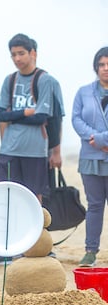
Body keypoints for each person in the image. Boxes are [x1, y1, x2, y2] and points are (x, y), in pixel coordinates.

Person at [0, 33, 59, 265]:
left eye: (21, 53)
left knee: (34, 201)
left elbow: (45, 117)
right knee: (4, 198)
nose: (17, 58)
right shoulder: (10, 80)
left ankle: (37, 248)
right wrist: (26, 112)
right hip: (9, 149)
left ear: (33, 53)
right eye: (13, 54)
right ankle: (3, 249)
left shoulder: (46, 80)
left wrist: (55, 150)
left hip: (35, 149)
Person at [72, 46, 108, 267]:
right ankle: (90, 250)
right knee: (94, 206)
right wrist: (94, 138)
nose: (106, 69)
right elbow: (76, 119)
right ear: (96, 67)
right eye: (102, 64)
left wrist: (104, 140)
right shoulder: (84, 92)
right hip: (90, 158)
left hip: (101, 148)